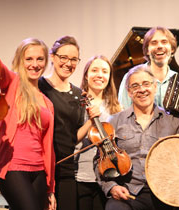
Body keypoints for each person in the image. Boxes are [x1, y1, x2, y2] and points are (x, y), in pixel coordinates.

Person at [97, 64, 179, 210]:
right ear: (129, 92)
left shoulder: (173, 120)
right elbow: (99, 161)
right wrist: (111, 187)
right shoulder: (114, 122)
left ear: (155, 87)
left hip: (166, 194)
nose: (141, 90)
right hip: (128, 192)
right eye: (135, 86)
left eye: (146, 84)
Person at [0, 33, 56, 210]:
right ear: (20, 60)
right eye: (29, 59)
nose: (35, 64)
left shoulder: (48, 103)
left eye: (40, 59)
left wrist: (50, 188)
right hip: (14, 168)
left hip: (39, 171)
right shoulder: (13, 83)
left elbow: (48, 148)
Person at [38, 36, 86, 210]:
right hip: (41, 168)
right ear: (52, 56)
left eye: (73, 59)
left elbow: (73, 138)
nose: (68, 63)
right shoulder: (39, 86)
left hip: (66, 170)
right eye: (63, 57)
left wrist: (91, 123)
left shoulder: (79, 94)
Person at [74, 55, 122, 210]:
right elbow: (71, 140)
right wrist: (90, 120)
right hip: (82, 175)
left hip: (108, 175)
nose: (100, 75)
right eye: (94, 70)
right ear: (86, 74)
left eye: (104, 71)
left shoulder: (116, 108)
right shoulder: (76, 103)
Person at [118, 26, 177, 108]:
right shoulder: (131, 77)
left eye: (164, 42)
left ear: (172, 49)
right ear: (147, 50)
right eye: (154, 43)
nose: (159, 46)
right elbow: (123, 114)